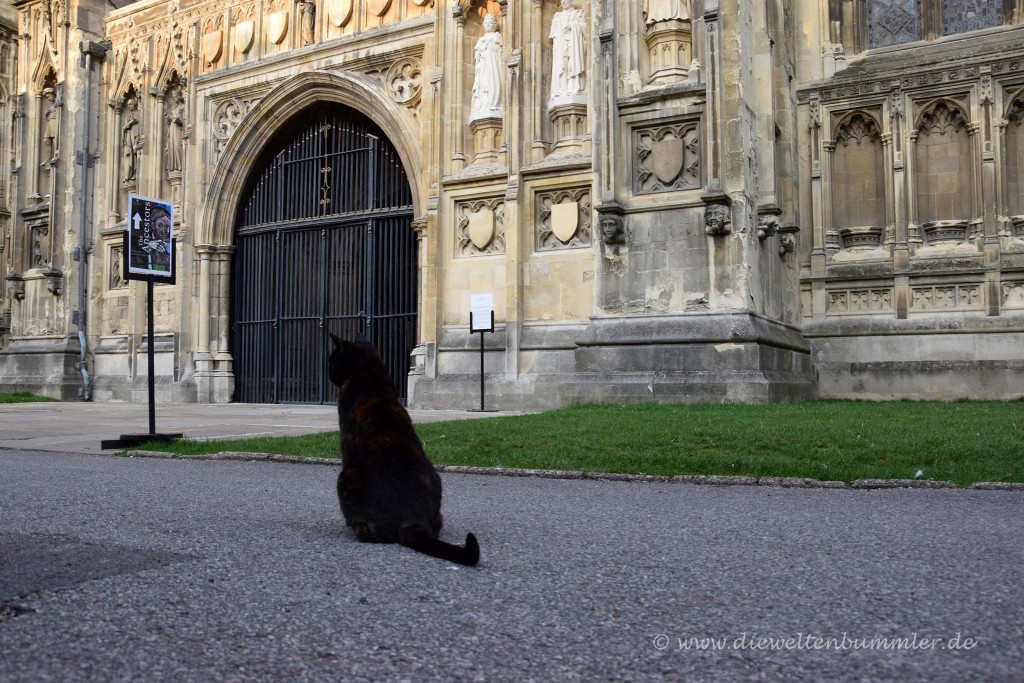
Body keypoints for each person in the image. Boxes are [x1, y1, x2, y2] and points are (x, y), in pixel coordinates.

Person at [549, 0, 586, 107]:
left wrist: (573, 25)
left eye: (566, 0)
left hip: (574, 46)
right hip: (561, 46)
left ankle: (574, 87)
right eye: (562, 1)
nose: (563, 2)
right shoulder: (557, 16)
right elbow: (554, 36)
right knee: (562, 66)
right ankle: (562, 89)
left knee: (573, 65)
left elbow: (585, 30)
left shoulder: (578, 14)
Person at [470, 14, 503, 121]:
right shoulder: (481, 40)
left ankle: (494, 103)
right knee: (483, 84)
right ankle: (484, 104)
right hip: (484, 67)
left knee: (493, 82)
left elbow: (501, 53)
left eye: (490, 23)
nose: (488, 25)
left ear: (494, 25)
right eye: (486, 23)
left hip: (494, 65)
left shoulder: (497, 37)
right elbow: (477, 58)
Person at [165, 86, 185, 175]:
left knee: (177, 146)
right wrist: (169, 119)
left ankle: (180, 166)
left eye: (175, 97)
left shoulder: (183, 107)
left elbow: (184, 120)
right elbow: (170, 122)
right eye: (173, 97)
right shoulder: (175, 109)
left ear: (179, 96)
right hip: (172, 129)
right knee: (172, 147)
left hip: (178, 129)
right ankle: (174, 167)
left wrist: (178, 120)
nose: (174, 99)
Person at [122, 96, 141, 184]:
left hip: (135, 138)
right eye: (128, 104)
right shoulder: (128, 116)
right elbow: (126, 126)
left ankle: (134, 173)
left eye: (130, 104)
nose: (129, 106)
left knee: (134, 153)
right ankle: (128, 175)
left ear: (135, 104)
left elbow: (135, 121)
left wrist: (128, 125)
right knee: (128, 154)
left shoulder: (138, 113)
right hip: (128, 139)